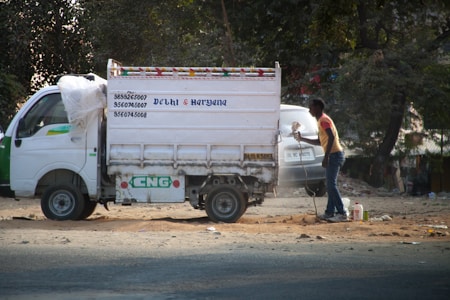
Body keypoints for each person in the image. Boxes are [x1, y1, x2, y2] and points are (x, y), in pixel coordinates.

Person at [295, 98, 348, 222]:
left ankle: (342, 213)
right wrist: (302, 139)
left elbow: (331, 137)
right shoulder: (320, 121)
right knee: (330, 185)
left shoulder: (324, 120)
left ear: (318, 107)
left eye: (311, 107)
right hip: (334, 155)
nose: (309, 110)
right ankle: (329, 212)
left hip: (335, 155)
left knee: (331, 185)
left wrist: (326, 156)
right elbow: (320, 141)